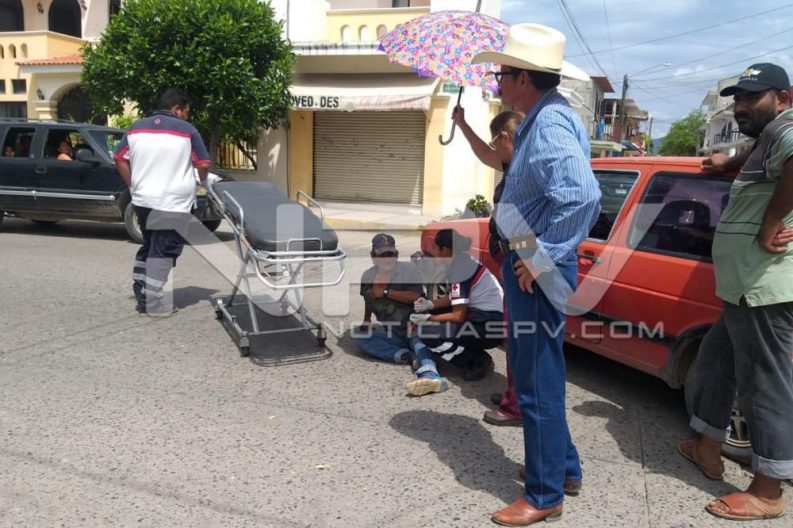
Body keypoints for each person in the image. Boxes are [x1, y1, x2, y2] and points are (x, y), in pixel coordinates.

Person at [472, 23, 601, 525]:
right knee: (534, 372)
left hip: (537, 261)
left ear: (524, 76)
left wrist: (542, 254)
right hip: (534, 256)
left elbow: (582, 196)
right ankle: (563, 468)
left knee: (536, 380)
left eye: (502, 73)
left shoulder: (547, 125)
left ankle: (546, 496)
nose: (497, 81)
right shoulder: (544, 117)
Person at [678, 63, 793, 522]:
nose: (740, 105)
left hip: (764, 286)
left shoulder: (789, 127)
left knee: (764, 384)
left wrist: (770, 222)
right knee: (714, 364)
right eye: (737, 98)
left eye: (752, 97)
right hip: (742, 286)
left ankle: (768, 490)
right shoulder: (770, 135)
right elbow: (764, 154)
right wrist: (730, 162)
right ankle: (707, 446)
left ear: (783, 97)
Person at [453, 106, 525, 427]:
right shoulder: (514, 163)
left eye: (497, 140)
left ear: (507, 137)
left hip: (523, 263)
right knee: (515, 336)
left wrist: (526, 259)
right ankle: (515, 394)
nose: (494, 147)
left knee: (522, 340)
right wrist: (462, 123)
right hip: (514, 261)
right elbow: (484, 153)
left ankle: (519, 406)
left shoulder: (527, 171)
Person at [114, 88, 211, 316]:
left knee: (149, 246)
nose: (187, 117)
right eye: (186, 112)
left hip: (143, 201)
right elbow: (204, 164)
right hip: (173, 202)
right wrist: (201, 180)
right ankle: (152, 301)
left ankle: (141, 290)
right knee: (164, 250)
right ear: (177, 109)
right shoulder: (187, 131)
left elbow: (119, 158)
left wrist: (134, 185)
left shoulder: (136, 128)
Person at [406, 229, 504, 396]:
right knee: (435, 317)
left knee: (427, 333)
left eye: (435, 249)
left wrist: (430, 317)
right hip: (488, 320)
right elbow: (457, 299)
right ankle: (472, 353)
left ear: (445, 250)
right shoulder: (462, 262)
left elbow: (458, 315)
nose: (433, 253)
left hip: (488, 325)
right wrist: (430, 304)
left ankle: (475, 360)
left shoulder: (460, 269)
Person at [354, 233, 424, 364]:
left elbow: (417, 297)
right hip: (393, 334)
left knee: (420, 346)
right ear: (373, 258)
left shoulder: (409, 270)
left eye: (390, 255)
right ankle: (406, 356)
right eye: (382, 256)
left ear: (396, 255)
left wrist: (386, 292)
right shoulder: (368, 276)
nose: (387, 259)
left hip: (415, 329)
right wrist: (366, 319)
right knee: (363, 340)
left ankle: (421, 356)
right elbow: (367, 299)